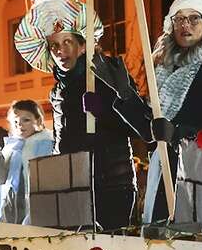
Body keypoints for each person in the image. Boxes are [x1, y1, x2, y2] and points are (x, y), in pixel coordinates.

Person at [111, 0, 202, 223]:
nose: (185, 25)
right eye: (179, 19)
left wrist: (178, 133)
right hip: (162, 173)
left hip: (199, 179)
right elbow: (150, 131)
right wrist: (125, 94)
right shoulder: (162, 73)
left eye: (194, 18)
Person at [46, 25, 146, 230]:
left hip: (112, 185)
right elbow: (59, 141)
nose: (59, 50)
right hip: (73, 185)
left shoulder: (106, 74)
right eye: (54, 45)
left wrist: (102, 111)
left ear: (83, 46)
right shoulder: (56, 91)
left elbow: (139, 127)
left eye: (67, 42)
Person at [0, 99, 55, 224]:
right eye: (15, 121)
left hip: (36, 213)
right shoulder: (11, 147)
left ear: (39, 120)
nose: (20, 125)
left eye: (26, 120)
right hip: (8, 213)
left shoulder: (47, 144)